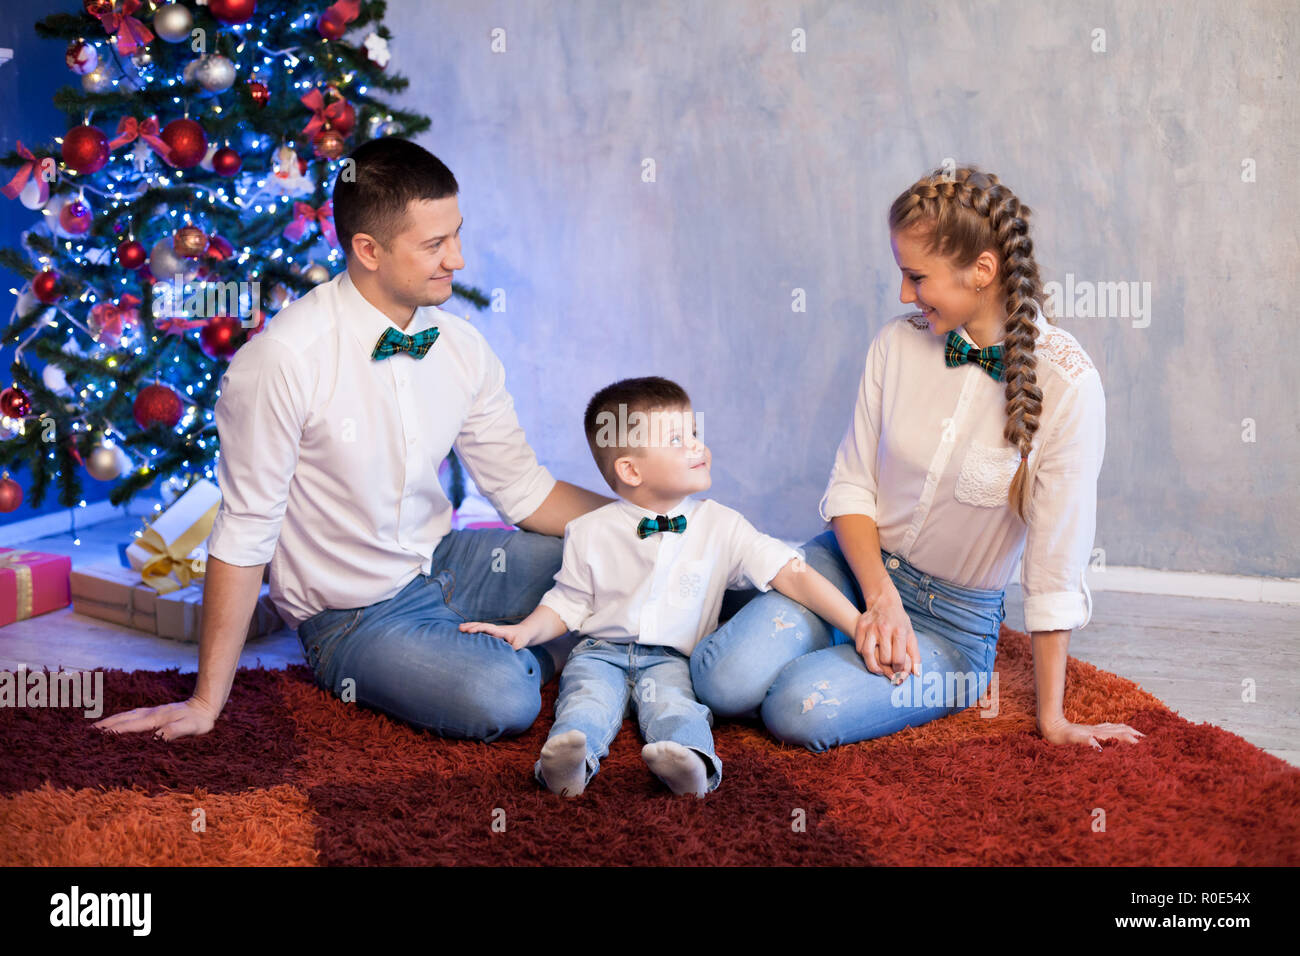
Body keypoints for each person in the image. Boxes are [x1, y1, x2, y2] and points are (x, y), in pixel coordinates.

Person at [93, 138, 611, 743]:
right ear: (368, 249)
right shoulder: (282, 361)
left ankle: (559, 642)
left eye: (457, 235)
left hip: (448, 562)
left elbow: (526, 493)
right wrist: (206, 702)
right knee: (499, 697)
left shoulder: (462, 346)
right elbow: (245, 530)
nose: (459, 260)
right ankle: (565, 655)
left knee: (617, 561)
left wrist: (652, 522)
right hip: (354, 617)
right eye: (435, 245)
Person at [691, 166, 1147, 753]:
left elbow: (1055, 563)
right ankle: (812, 628)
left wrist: (1052, 719)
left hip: (952, 626)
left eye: (917, 276)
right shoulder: (895, 344)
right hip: (852, 568)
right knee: (721, 681)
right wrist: (878, 599)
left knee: (796, 708)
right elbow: (852, 489)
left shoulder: (1069, 384)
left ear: (982, 270)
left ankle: (810, 639)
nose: (905, 294)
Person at [459, 377, 873, 796]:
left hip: (671, 659)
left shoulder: (721, 525)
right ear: (631, 469)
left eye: (695, 433)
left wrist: (858, 625)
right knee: (585, 701)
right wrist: (525, 631)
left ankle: (690, 763)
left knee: (676, 706)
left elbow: (791, 571)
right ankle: (567, 766)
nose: (697, 446)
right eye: (678, 439)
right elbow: (568, 602)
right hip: (600, 652)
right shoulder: (588, 530)